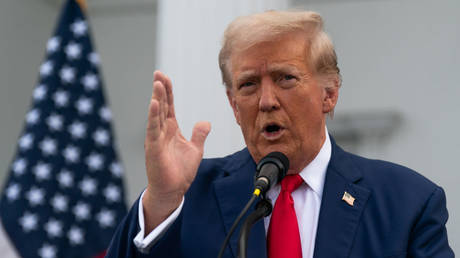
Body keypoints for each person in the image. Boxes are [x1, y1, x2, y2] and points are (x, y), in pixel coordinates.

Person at [106, 10, 454, 258]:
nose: (266, 101)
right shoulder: (187, 196)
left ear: (329, 93)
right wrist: (161, 201)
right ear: (233, 104)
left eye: (285, 78)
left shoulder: (406, 202)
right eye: (248, 85)